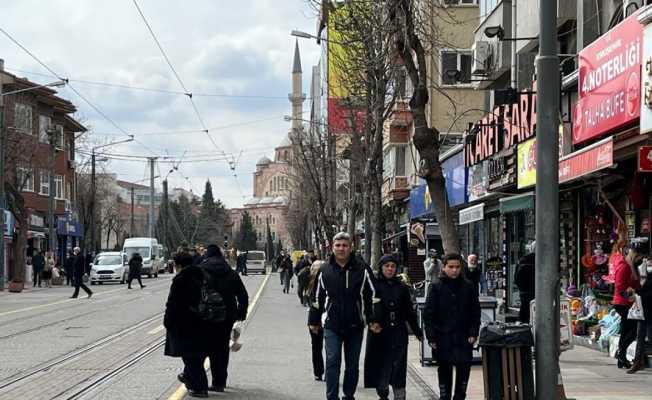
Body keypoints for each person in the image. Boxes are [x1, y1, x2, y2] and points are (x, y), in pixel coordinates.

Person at [308, 232, 375, 400]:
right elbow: (317, 298)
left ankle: (348, 395)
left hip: (355, 325)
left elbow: (373, 295)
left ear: (350, 247)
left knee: (352, 366)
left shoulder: (362, 269)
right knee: (332, 362)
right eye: (338, 245)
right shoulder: (324, 270)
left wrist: (373, 319)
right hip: (332, 325)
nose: (341, 249)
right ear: (332, 247)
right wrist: (313, 321)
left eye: (345, 245)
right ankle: (332, 396)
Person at [364, 254, 422, 400]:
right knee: (381, 365)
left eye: (393, 266)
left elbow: (409, 312)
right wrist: (371, 322)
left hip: (398, 332)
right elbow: (365, 307)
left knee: (399, 366)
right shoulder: (373, 285)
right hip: (379, 332)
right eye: (387, 266)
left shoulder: (402, 287)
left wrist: (418, 332)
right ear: (381, 267)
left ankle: (400, 395)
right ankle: (382, 393)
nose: (390, 269)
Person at [423, 253, 480, 400]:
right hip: (443, 337)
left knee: (463, 373)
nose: (454, 270)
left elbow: (475, 312)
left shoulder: (468, 286)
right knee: (444, 372)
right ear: (444, 267)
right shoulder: (436, 286)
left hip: (463, 337)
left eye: (457, 267)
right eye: (451, 267)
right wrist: (431, 337)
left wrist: (473, 333)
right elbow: (428, 314)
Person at [198, 244, 249, 392]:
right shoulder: (230, 273)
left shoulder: (201, 271)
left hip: (206, 316)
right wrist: (241, 313)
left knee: (203, 347)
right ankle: (219, 382)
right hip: (227, 316)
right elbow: (242, 295)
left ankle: (197, 381)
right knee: (222, 348)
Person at [164, 250, 209, 398]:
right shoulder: (201, 276)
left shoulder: (181, 280)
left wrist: (168, 322)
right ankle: (190, 379)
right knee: (195, 356)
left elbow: (173, 304)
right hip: (202, 321)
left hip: (184, 324)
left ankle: (199, 388)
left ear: (179, 265)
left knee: (190, 358)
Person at [612, 242, 642, 369]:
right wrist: (628, 297)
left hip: (628, 303)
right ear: (632, 254)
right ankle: (621, 354)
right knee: (632, 330)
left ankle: (621, 358)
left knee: (626, 330)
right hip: (623, 303)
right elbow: (619, 285)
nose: (640, 259)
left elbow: (637, 285)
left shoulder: (632, 267)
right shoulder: (624, 267)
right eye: (638, 256)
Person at [628, 257, 652, 373]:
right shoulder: (647, 278)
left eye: (650, 264)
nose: (648, 267)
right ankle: (638, 362)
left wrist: (639, 294)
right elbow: (644, 291)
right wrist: (636, 292)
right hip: (643, 312)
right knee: (640, 337)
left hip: (649, 312)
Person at [306, 259, 325, 381]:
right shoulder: (308, 280)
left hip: (327, 317)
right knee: (316, 346)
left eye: (319, 269)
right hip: (314, 319)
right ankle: (318, 371)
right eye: (314, 268)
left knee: (330, 348)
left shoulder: (327, 281)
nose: (316, 271)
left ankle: (328, 371)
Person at [515, 243, 536, 324]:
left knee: (524, 307)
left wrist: (521, 287)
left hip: (524, 290)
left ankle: (522, 324)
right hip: (536, 290)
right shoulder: (542, 260)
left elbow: (516, 278)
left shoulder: (522, 260)